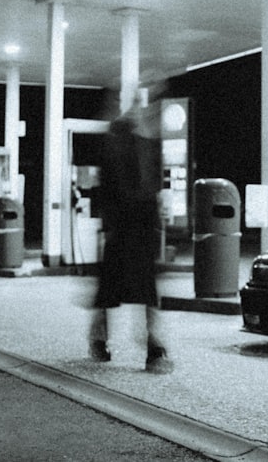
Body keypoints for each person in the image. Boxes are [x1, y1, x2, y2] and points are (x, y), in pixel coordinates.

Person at [88, 89, 173, 374]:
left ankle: (106, 340)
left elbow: (110, 189)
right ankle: (150, 347)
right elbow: (128, 187)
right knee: (138, 290)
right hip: (131, 227)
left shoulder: (131, 144)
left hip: (128, 228)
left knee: (114, 290)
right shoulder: (128, 144)